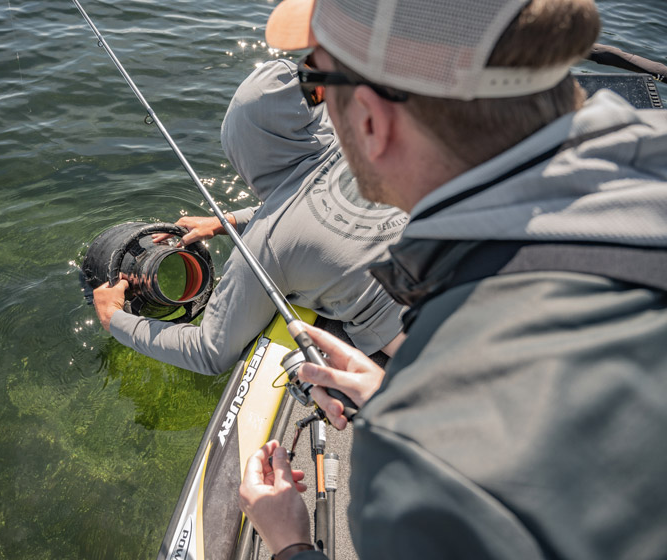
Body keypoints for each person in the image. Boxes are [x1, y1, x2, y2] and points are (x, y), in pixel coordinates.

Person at [239, 0, 667, 558]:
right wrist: (407, 393)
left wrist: (290, 543)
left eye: (317, 84)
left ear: (369, 120)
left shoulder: (427, 470)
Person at [93, 58, 407, 375]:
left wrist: (115, 318)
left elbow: (209, 352)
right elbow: (320, 208)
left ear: (245, 151)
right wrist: (227, 222)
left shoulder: (269, 242)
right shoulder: (372, 147)